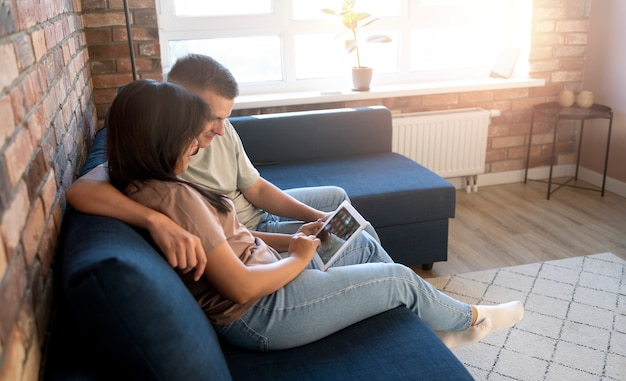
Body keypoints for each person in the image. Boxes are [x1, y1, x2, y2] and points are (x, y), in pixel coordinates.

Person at [99, 78, 524, 351]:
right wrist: (299, 258)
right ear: (160, 136)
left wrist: (294, 243)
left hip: (273, 278)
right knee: (400, 278)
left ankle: (424, 322)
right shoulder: (174, 197)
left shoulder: (139, 182)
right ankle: (473, 320)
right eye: (190, 134)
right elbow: (241, 286)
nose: (201, 141)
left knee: (355, 241)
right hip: (265, 312)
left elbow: (232, 245)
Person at [66, 54, 378, 281]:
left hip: (255, 226)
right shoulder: (160, 158)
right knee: (361, 244)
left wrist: (317, 219)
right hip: (248, 235)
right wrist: (153, 221)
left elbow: (254, 187)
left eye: (225, 117)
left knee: (340, 203)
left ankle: (372, 280)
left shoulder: (221, 130)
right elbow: (81, 190)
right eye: (213, 116)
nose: (220, 129)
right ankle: (375, 280)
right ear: (181, 104)